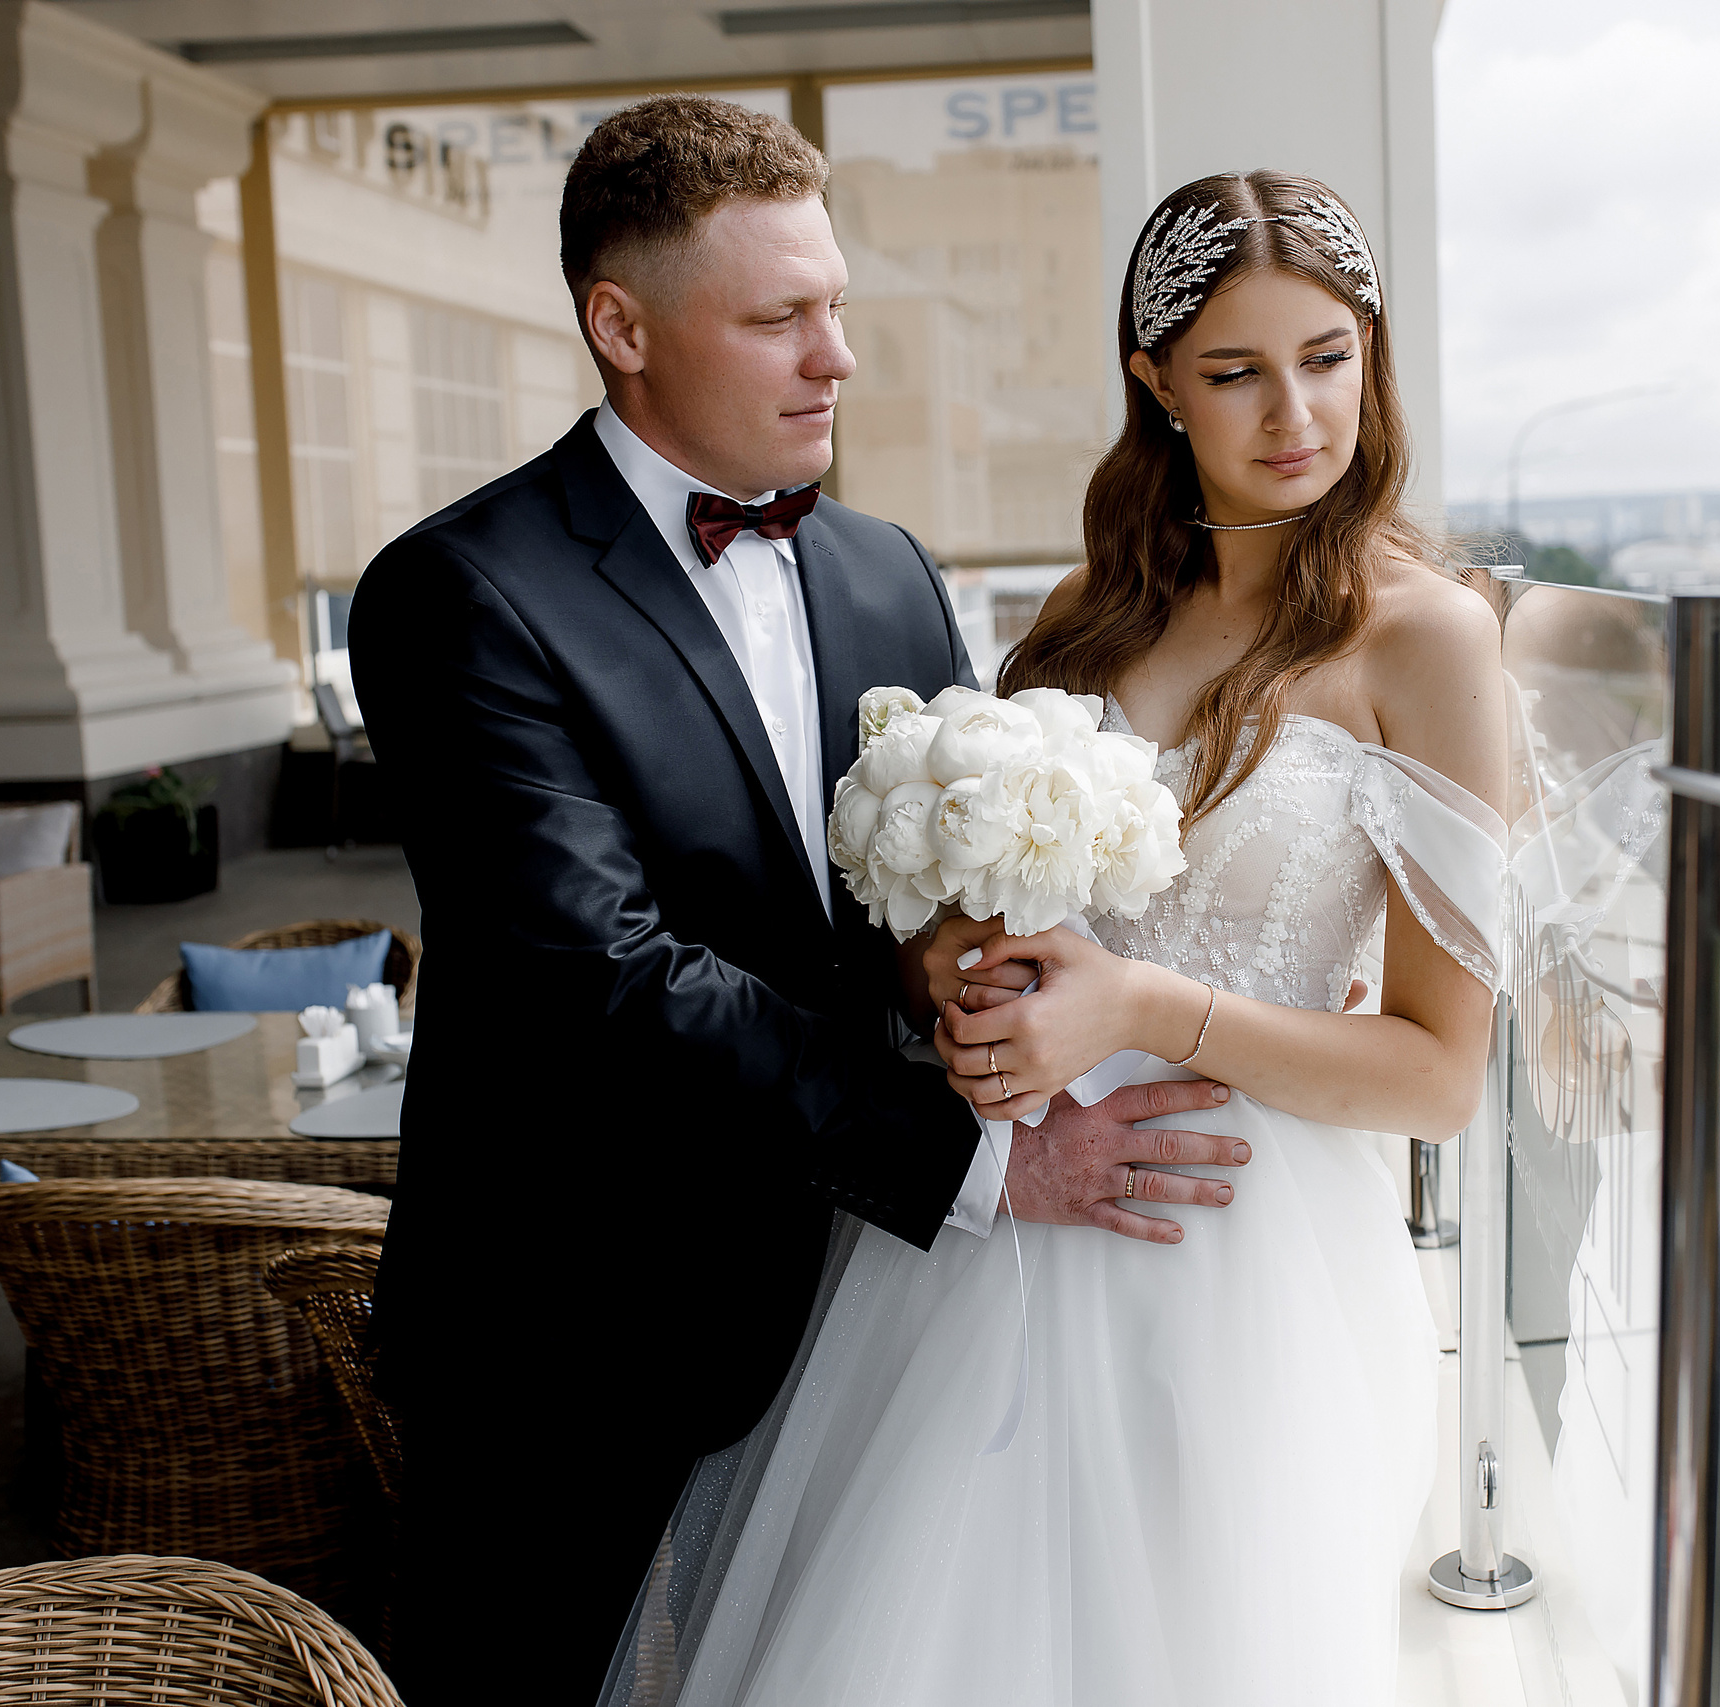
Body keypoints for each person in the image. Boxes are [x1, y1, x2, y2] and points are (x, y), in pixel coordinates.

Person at [347, 97, 1249, 1707]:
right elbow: (595, 976)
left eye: (835, 307)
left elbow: (912, 908)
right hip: (567, 1339)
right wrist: (981, 1162)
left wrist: (972, 985)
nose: (835, 357)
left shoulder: (887, 569)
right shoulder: (458, 594)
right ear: (619, 326)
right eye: (779, 318)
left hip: (854, 1310)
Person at [613, 169, 1511, 1707]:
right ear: (1156, 384)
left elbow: (1438, 1076)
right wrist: (953, 976)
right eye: (1235, 370)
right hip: (1002, 1230)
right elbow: (975, 916)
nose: (1295, 412)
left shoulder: (1426, 637)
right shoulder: (1091, 611)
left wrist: (1145, 1007)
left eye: (1329, 357)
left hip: (1238, 1253)